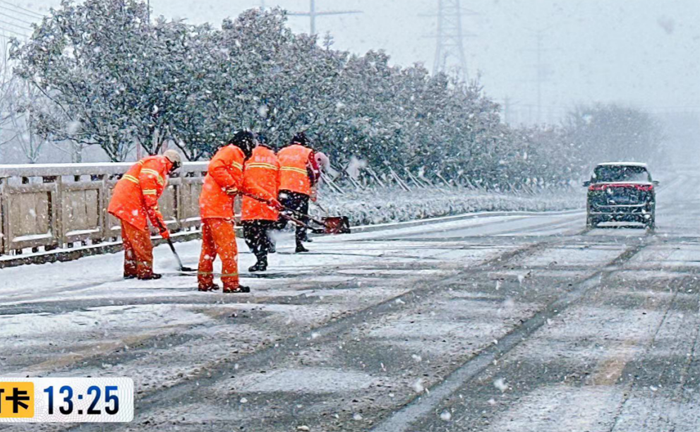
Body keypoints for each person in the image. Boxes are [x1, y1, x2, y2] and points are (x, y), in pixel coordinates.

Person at [197, 132, 280, 293]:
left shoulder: (237, 160)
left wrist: (269, 199)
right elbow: (215, 167)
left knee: (209, 249)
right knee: (228, 249)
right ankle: (231, 283)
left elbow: (247, 185)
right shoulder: (232, 151)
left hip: (210, 207)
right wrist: (229, 185)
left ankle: (205, 281)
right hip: (218, 209)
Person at [107, 149, 183, 280]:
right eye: (174, 167)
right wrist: (161, 227)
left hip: (125, 201)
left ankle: (131, 269)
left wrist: (160, 226)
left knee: (131, 241)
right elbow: (150, 200)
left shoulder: (153, 162)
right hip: (131, 203)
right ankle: (145, 271)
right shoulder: (158, 164)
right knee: (142, 240)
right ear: (173, 162)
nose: (172, 171)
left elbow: (149, 201)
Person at [241, 137, 281, 272]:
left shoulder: (247, 155)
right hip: (269, 202)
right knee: (264, 231)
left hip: (251, 201)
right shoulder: (274, 158)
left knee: (250, 234)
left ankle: (259, 257)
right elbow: (279, 181)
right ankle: (265, 252)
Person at [277, 132, 320, 253]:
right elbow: (315, 171)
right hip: (300, 189)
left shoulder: (281, 151)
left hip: (282, 188)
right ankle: (299, 243)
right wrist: (312, 183)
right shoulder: (307, 152)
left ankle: (270, 241)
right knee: (301, 216)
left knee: (282, 215)